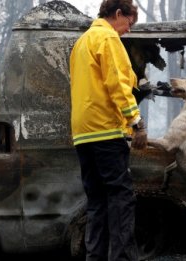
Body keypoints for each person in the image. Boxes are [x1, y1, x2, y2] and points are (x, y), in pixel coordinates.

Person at [69, 0, 147, 260]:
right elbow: (117, 83)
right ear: (117, 14)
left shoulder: (82, 42)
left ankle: (96, 257)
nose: (129, 30)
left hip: (82, 133)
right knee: (121, 197)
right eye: (129, 23)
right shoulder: (107, 38)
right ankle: (123, 258)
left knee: (97, 200)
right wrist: (136, 122)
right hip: (105, 131)